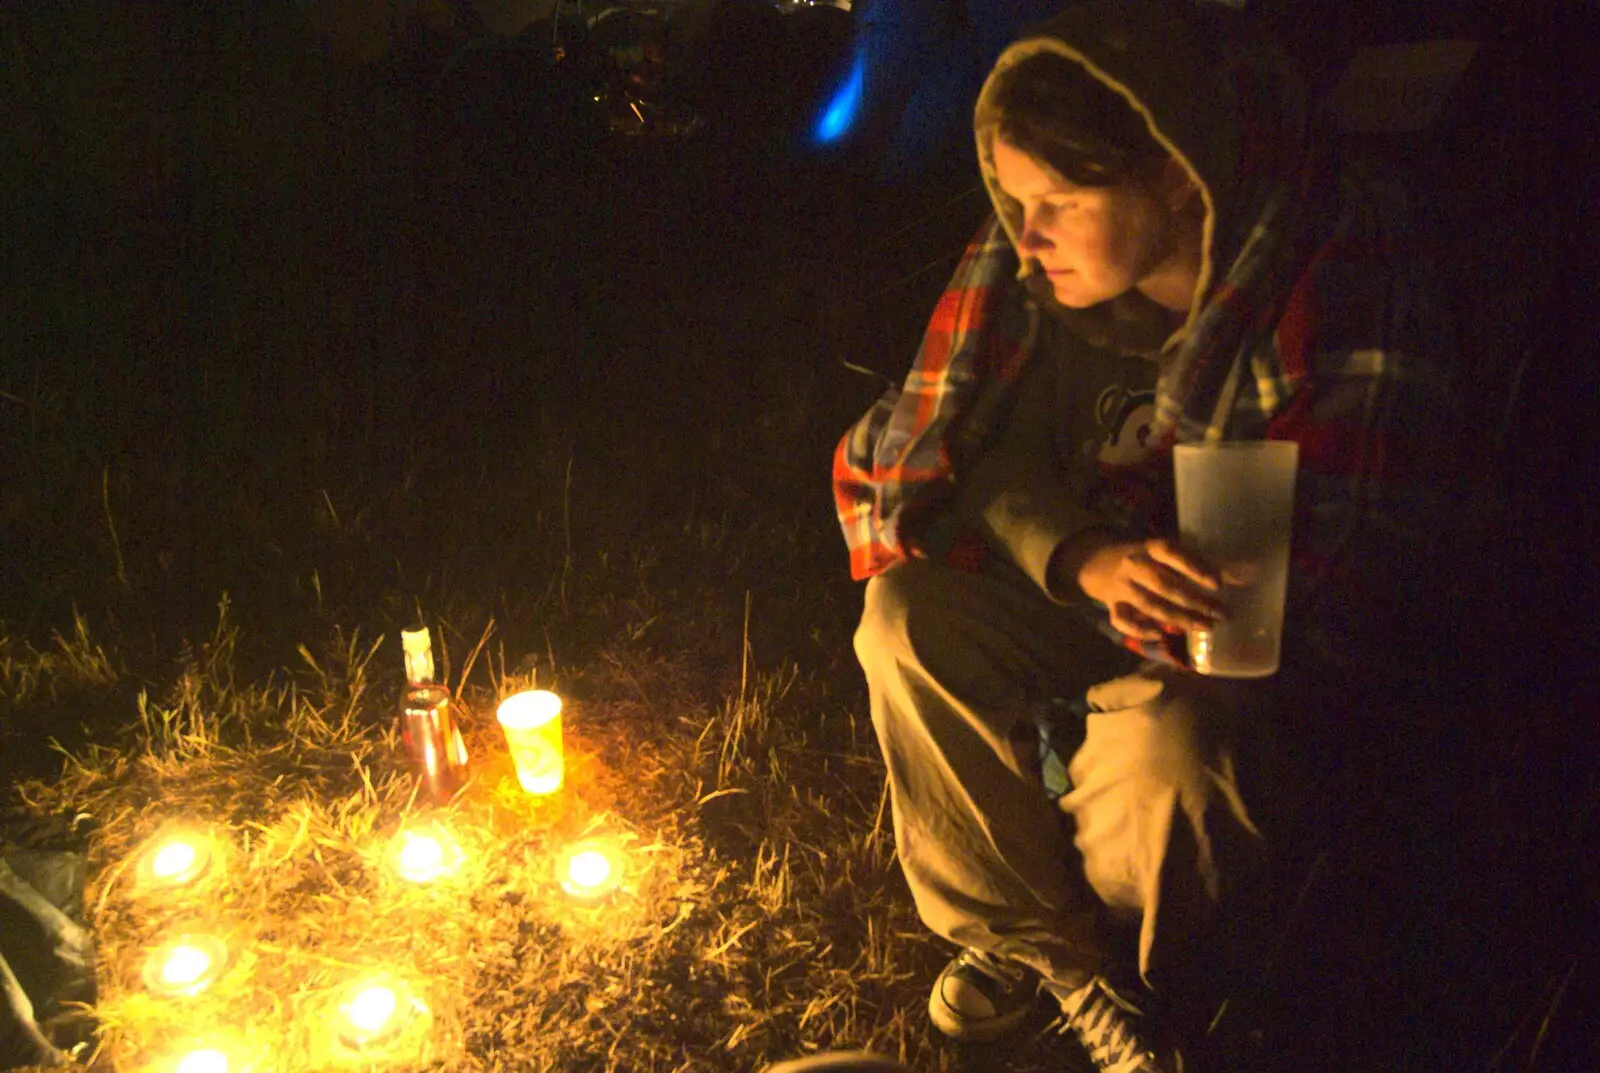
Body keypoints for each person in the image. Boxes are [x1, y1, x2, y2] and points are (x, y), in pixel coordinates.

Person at [832, 1, 1459, 1069]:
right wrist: (1082, 557)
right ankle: (1055, 955)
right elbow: (976, 465)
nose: (1021, 235)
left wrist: (1182, 622)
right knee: (903, 618)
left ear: (1175, 174)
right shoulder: (1038, 287)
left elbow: (1314, 593)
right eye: (1014, 196)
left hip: (1235, 639)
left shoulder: (1321, 291)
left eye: (1060, 200)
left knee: (1172, 746)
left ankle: (1169, 981)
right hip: (1097, 590)